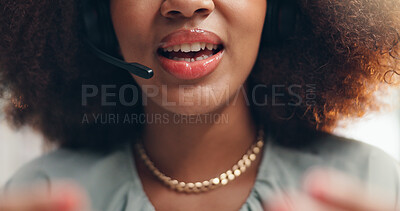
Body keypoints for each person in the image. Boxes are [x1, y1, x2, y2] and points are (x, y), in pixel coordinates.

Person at [0, 0, 400, 210]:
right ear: (95, 16)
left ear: (279, 10)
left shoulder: (372, 186)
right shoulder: (41, 194)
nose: (187, 3)